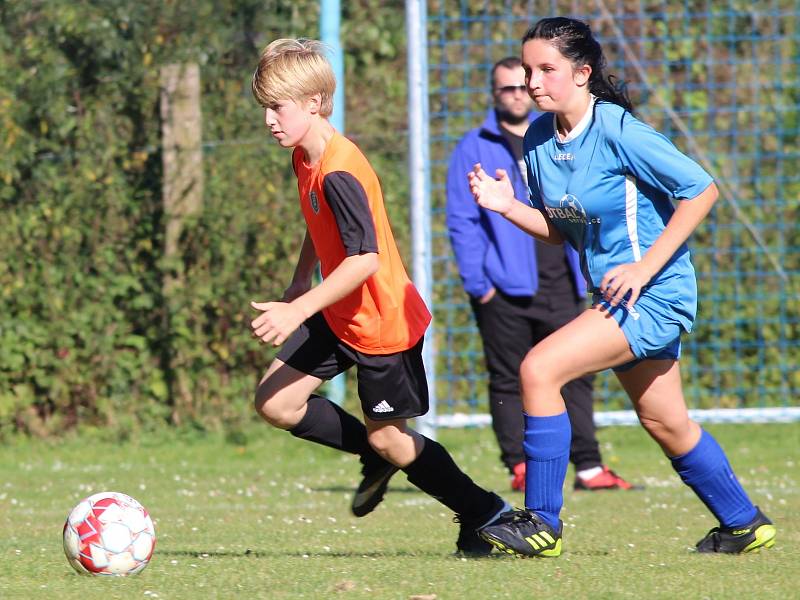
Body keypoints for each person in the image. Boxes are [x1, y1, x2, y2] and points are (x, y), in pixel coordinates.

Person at [469, 17, 776, 557]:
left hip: (653, 293)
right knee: (665, 422)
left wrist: (642, 268)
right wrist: (507, 206)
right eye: (527, 69)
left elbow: (701, 190)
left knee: (539, 369)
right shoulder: (540, 137)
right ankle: (744, 522)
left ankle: (540, 522)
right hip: (617, 296)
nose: (533, 81)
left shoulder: (617, 130)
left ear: (583, 73)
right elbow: (560, 224)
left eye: (548, 69)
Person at [248, 38, 510, 556]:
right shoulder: (305, 157)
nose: (270, 120)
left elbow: (364, 258)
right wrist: (302, 281)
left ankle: (484, 512)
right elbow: (317, 225)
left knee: (391, 437)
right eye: (266, 109)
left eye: (278, 107)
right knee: (276, 402)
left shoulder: (340, 169)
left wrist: (300, 308)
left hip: (381, 321)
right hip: (339, 309)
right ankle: (376, 454)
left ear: (315, 103)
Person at [446, 56, 637, 493]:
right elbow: (462, 220)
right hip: (504, 290)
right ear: (495, 94)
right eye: (506, 89)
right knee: (510, 377)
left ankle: (589, 467)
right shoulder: (474, 146)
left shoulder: (551, 138)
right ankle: (520, 465)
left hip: (565, 281)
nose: (517, 94)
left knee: (577, 375)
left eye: (522, 86)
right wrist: (480, 285)